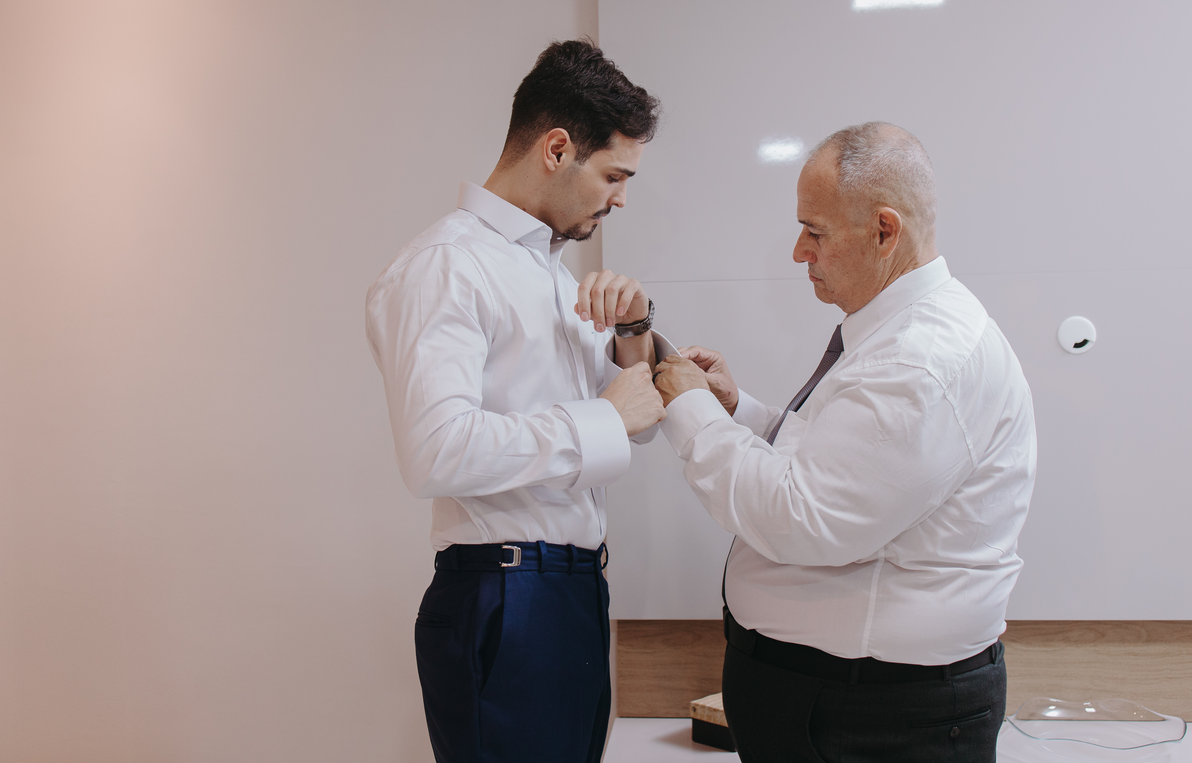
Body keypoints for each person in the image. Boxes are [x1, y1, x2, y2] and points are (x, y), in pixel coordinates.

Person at [652, 122, 1036, 763]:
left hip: (873, 718)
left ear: (886, 231)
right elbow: (832, 464)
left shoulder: (919, 362)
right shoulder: (895, 337)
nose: (800, 251)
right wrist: (736, 410)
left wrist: (688, 408)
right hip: (837, 698)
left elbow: (803, 516)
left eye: (816, 232)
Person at [366, 40, 669, 763]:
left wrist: (633, 336)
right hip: (505, 599)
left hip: (567, 596)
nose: (622, 197)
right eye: (615, 174)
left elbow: (637, 424)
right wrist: (603, 418)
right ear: (558, 149)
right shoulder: (446, 266)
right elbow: (434, 453)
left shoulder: (560, 280)